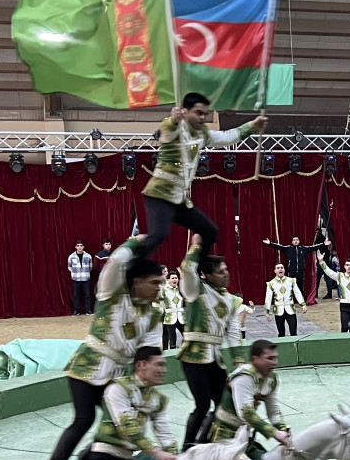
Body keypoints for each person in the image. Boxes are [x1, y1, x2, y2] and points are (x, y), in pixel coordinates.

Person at [42, 236, 166, 460]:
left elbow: (146, 351)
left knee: (118, 426)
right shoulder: (112, 294)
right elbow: (116, 262)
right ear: (136, 282)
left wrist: (144, 378)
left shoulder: (156, 314)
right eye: (154, 283)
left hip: (118, 375)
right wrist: (135, 242)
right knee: (83, 420)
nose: (160, 288)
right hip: (87, 367)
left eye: (161, 283)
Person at [138, 93, 268, 261]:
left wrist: (252, 126)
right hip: (160, 195)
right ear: (186, 112)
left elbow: (226, 137)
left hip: (179, 200)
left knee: (210, 232)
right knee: (158, 236)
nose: (203, 117)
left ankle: (198, 267)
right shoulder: (176, 129)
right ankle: (130, 270)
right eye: (198, 112)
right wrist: (174, 119)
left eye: (205, 114)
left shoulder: (202, 134)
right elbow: (166, 131)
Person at [177, 234, 243, 449]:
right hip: (192, 357)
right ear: (206, 275)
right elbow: (187, 269)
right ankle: (186, 447)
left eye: (226, 270)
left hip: (214, 358)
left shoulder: (232, 300)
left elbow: (233, 333)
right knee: (202, 404)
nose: (227, 275)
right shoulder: (195, 291)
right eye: (221, 272)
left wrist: (239, 362)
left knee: (224, 404)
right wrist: (196, 246)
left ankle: (206, 443)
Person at [210, 339, 292, 460]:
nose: (274, 363)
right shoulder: (243, 377)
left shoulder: (272, 379)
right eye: (270, 358)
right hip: (224, 436)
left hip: (245, 436)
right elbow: (245, 413)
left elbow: (274, 411)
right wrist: (275, 433)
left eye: (275, 358)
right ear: (256, 359)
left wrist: (283, 430)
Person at [262, 235, 327, 287]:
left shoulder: (304, 249)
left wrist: (323, 244)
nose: (295, 241)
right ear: (292, 242)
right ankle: (291, 300)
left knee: (301, 285)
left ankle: (301, 300)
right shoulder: (288, 249)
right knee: (291, 285)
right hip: (292, 270)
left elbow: (313, 247)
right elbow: (279, 246)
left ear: (299, 241)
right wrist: (270, 243)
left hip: (301, 271)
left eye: (297, 240)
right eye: (294, 240)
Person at [263, 263, 306, 336]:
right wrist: (266, 311)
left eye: (282, 267)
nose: (280, 269)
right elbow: (268, 298)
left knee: (293, 332)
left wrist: (303, 304)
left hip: (290, 309)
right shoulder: (271, 283)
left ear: (284, 270)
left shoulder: (291, 281)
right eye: (278, 268)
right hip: (278, 310)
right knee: (281, 333)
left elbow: (297, 293)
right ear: (275, 271)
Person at [159, 271, 184, 350]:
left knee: (187, 335)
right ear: (168, 280)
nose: (175, 279)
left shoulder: (181, 289)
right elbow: (158, 299)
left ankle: (184, 350)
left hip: (181, 317)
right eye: (172, 278)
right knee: (172, 339)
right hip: (170, 318)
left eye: (176, 278)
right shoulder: (164, 290)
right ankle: (172, 356)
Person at [68, 241, 94, 316]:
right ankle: (76, 310)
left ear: (83, 247)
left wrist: (86, 273)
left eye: (81, 246)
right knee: (76, 295)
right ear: (75, 247)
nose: (79, 247)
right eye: (78, 246)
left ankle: (88, 310)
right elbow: (69, 266)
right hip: (75, 279)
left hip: (86, 278)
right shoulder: (71, 256)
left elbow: (90, 266)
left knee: (87, 294)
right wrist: (74, 273)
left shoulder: (88, 256)